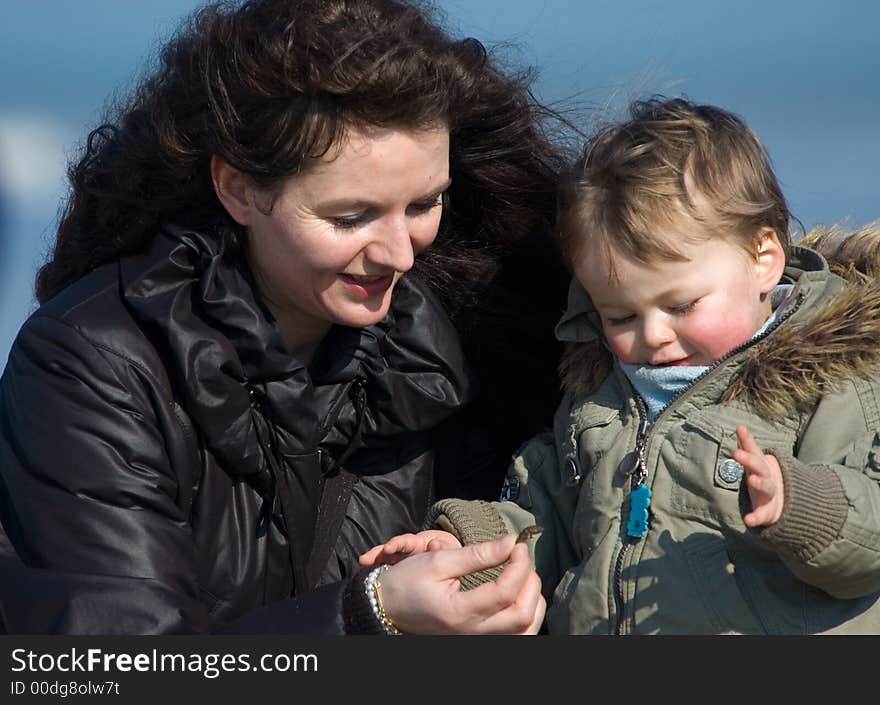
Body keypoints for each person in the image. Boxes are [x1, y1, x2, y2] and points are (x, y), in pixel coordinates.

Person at [0, 0, 569, 634]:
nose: (399, 254)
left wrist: (481, 560)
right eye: (349, 217)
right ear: (239, 189)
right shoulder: (90, 365)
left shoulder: (452, 343)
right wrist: (367, 613)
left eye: (423, 203)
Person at [363, 97, 880, 634]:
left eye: (681, 306)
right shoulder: (600, 402)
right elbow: (548, 521)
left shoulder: (836, 377)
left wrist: (803, 505)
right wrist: (466, 548)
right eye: (620, 314)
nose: (653, 335)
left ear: (763, 260)